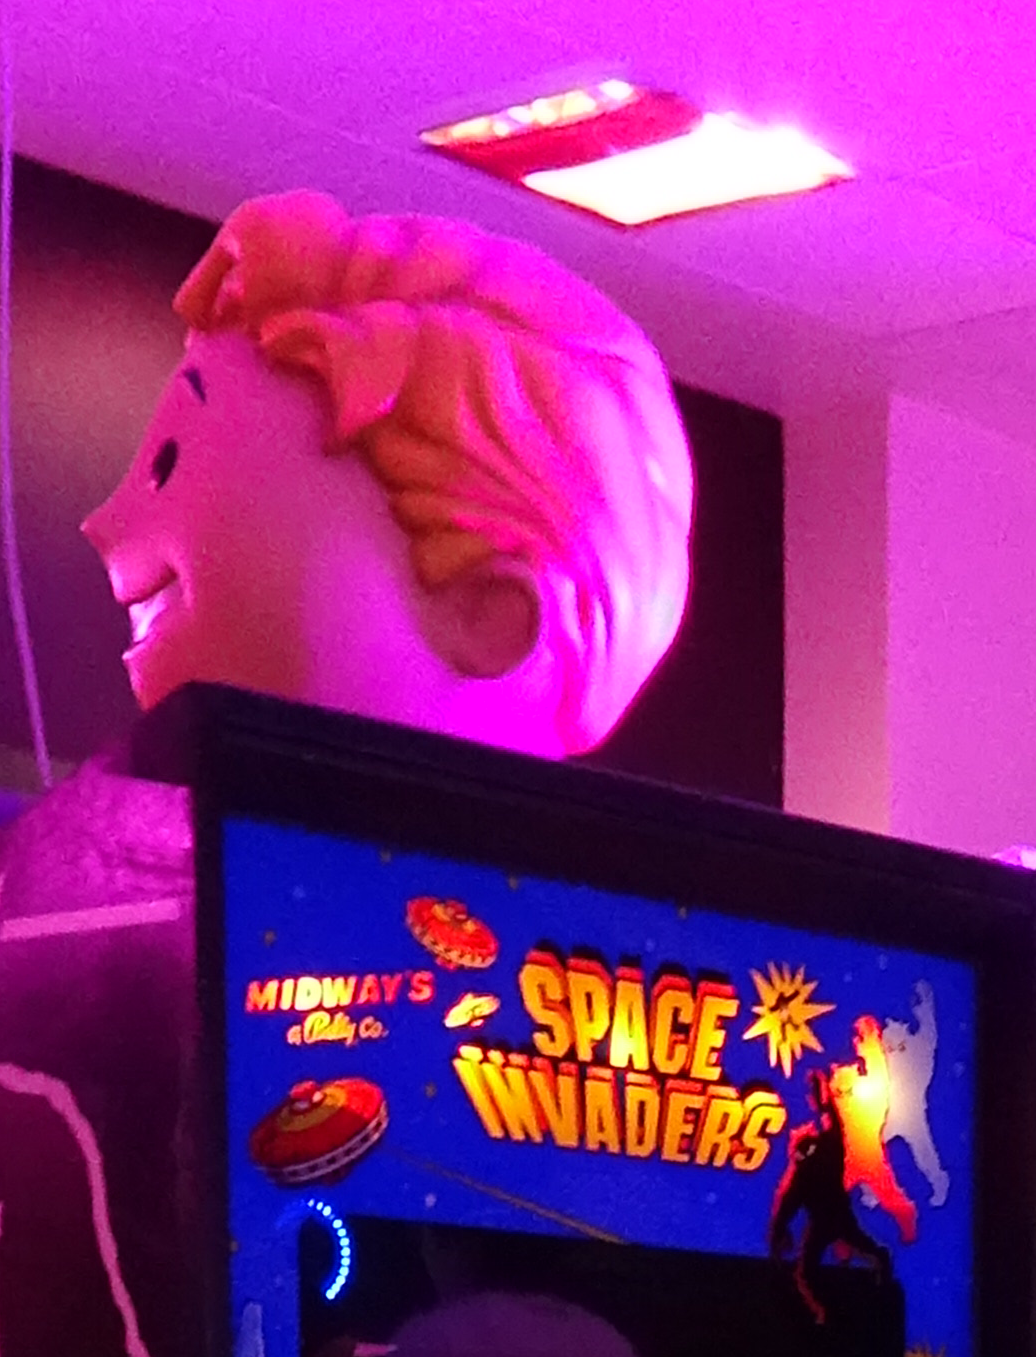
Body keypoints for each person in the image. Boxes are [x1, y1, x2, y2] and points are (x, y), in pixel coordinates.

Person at [3, 188, 693, 923]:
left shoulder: (603, 959)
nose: (100, 522)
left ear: (489, 616)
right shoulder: (82, 882)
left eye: (167, 467)